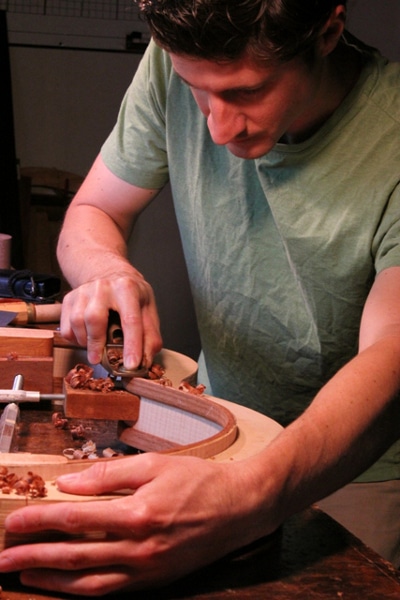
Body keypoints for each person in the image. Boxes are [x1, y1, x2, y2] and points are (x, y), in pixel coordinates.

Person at [1, 0, 400, 595]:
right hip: (209, 431)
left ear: (328, 33)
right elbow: (94, 210)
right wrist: (108, 270)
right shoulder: (171, 62)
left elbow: (392, 352)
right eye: (197, 90)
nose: (217, 128)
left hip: (349, 467)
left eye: (246, 92)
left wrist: (255, 493)